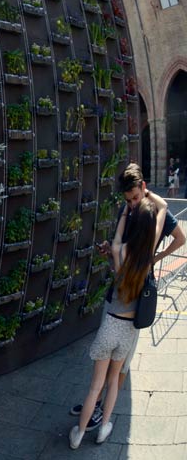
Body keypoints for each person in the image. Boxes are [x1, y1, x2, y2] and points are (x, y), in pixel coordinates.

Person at [69, 163, 185, 430]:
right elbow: (123, 250)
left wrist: (155, 258)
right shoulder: (127, 209)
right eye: (127, 200)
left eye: (134, 198)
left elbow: (180, 238)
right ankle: (94, 401)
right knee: (106, 357)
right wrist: (110, 250)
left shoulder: (156, 212)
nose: (131, 204)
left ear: (143, 187)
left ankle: (100, 409)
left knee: (121, 363)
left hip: (139, 295)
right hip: (119, 289)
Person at [69, 194, 166, 449]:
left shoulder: (120, 251)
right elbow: (164, 207)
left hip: (110, 325)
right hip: (128, 331)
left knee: (95, 386)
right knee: (113, 382)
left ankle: (78, 434)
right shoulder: (148, 256)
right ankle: (103, 429)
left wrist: (126, 212)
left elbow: (117, 240)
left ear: (133, 224)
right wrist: (147, 195)